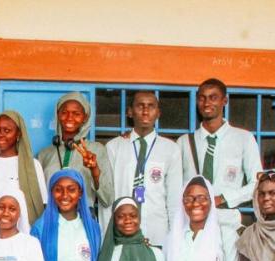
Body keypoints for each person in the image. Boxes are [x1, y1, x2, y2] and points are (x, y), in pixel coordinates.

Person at [177, 78, 262, 231]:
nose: (207, 103)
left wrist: (223, 199)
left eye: (213, 97)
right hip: (191, 224)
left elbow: (256, 184)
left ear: (225, 101)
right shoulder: (183, 142)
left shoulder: (244, 138)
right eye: (202, 98)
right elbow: (175, 186)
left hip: (227, 223)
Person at [106, 91, 182, 246]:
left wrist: (175, 237)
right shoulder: (114, 147)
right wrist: (107, 234)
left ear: (158, 113)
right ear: (129, 112)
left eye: (151, 106)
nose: (146, 111)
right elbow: (107, 198)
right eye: (140, 106)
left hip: (158, 233)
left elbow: (174, 199)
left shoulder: (171, 149)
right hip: (120, 234)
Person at [37, 92, 114, 228]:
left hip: (84, 221)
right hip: (51, 222)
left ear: (85, 118)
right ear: (57, 115)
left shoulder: (97, 150)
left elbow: (107, 199)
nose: (69, 117)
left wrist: (94, 170)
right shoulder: (44, 154)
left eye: (76, 113)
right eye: (64, 112)